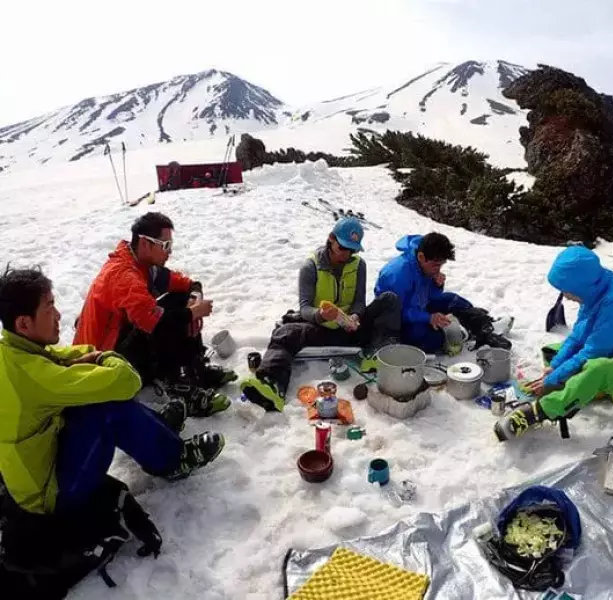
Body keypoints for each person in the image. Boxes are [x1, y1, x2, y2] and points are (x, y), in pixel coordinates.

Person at [0, 268, 224, 594]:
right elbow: (127, 381)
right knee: (106, 408)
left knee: (92, 394)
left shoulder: (13, 352)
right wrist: (103, 355)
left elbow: (63, 355)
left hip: (36, 471)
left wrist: (82, 358)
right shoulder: (35, 375)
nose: (60, 314)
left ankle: (157, 428)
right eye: (50, 307)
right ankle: (174, 459)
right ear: (24, 323)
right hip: (52, 496)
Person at [74, 212, 235, 417]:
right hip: (102, 362)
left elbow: (187, 284)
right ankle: (178, 384)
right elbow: (155, 323)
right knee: (164, 320)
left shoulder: (144, 266)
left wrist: (194, 299)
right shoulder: (124, 275)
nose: (170, 252)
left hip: (119, 343)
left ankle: (194, 368)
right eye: (165, 245)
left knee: (177, 303)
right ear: (145, 243)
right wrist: (192, 313)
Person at [494, 246, 613, 441]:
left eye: (567, 291)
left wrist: (553, 379)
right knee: (554, 352)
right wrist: (553, 368)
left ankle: (540, 411)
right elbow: (578, 337)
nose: (566, 296)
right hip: (609, 355)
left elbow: (592, 353)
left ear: (581, 285)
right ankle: (574, 384)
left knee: (597, 367)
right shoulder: (596, 289)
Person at [240, 218, 401, 410]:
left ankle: (378, 355)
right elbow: (305, 308)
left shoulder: (359, 265)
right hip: (323, 329)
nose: (347, 254)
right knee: (285, 333)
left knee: (389, 299)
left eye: (352, 250)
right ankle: (271, 383)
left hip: (352, 327)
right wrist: (321, 315)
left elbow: (359, 301)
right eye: (343, 247)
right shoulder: (311, 267)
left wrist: (356, 316)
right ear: (331, 239)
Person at [375, 232, 511, 355]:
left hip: (418, 310)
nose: (438, 269)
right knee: (430, 339)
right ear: (422, 257)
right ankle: (461, 331)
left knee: (451, 299)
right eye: (436, 265)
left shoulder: (424, 262)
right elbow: (396, 313)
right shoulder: (398, 274)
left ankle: (486, 329)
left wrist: (436, 285)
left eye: (441, 264)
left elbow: (427, 297)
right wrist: (428, 318)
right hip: (398, 323)